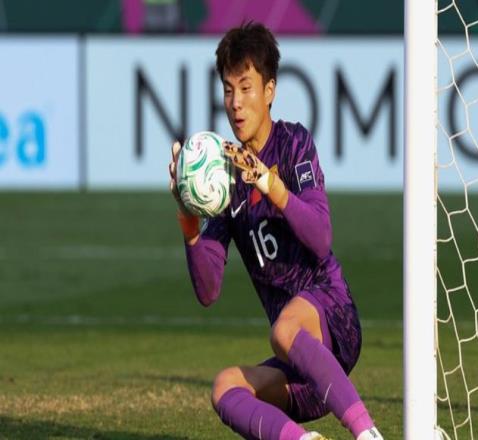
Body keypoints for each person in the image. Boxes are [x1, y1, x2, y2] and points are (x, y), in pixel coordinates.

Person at [169, 22, 384, 440]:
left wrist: (271, 184)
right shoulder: (225, 177)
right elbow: (208, 291)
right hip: (302, 371)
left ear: (269, 91)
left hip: (334, 320)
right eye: (228, 90)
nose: (235, 103)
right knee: (224, 387)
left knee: (284, 329)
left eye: (245, 88)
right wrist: (188, 218)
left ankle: (367, 434)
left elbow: (321, 237)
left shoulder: (293, 143)